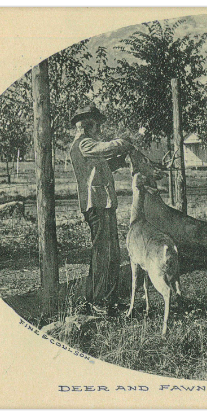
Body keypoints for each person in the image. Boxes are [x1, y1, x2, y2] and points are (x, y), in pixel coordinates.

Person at [69, 105, 134, 311]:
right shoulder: (83, 144)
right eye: (98, 125)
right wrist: (123, 143)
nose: (100, 129)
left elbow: (100, 166)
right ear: (89, 125)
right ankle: (98, 301)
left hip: (103, 204)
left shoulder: (89, 146)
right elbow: (104, 148)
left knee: (111, 253)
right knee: (102, 254)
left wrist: (118, 161)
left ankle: (108, 299)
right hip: (95, 204)